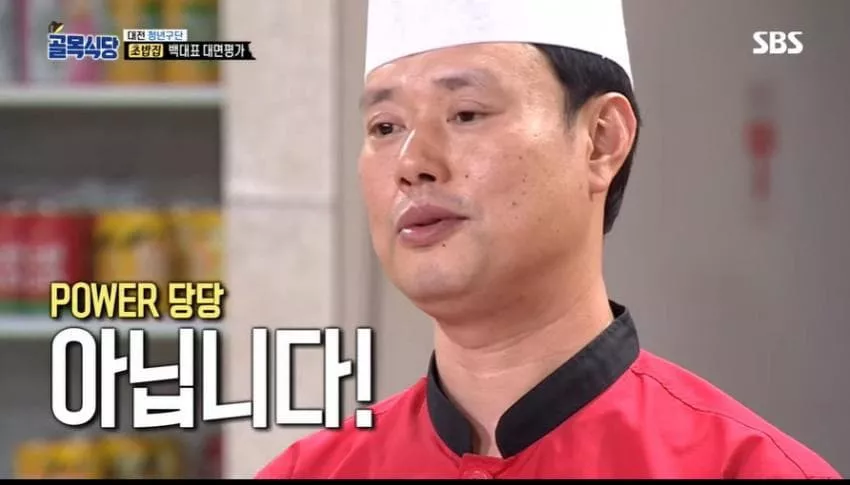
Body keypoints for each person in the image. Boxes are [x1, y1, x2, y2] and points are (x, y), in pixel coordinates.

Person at [257, 0, 841, 479]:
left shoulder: (746, 469)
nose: (412, 164)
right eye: (385, 127)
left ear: (601, 140)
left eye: (466, 113)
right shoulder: (307, 473)